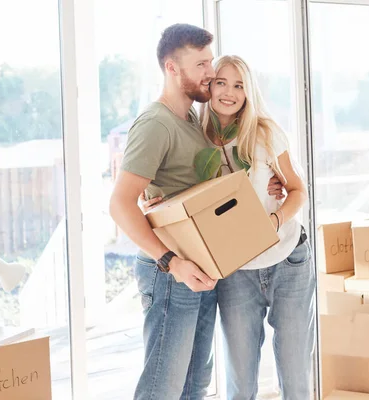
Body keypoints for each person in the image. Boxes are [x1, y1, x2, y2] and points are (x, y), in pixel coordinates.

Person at [142, 55, 316, 399]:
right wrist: (154, 203)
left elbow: (297, 191)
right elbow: (182, 195)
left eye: (239, 85)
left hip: (288, 260)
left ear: (248, 92)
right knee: (240, 384)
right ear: (209, 86)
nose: (229, 92)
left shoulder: (265, 133)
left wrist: (274, 219)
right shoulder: (197, 141)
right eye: (221, 82)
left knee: (296, 379)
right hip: (236, 272)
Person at [109, 23, 218, 400]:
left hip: (200, 268)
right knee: (162, 389)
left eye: (211, 61)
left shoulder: (190, 119)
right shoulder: (156, 123)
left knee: (194, 386)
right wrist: (172, 261)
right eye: (201, 64)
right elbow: (120, 204)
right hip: (171, 272)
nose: (211, 72)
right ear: (172, 68)